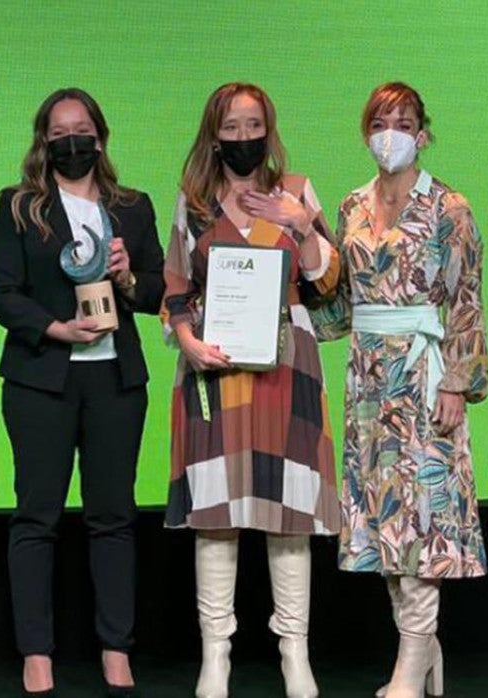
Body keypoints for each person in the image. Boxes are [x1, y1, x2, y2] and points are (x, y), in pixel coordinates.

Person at [310, 81, 488, 698]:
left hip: (424, 376)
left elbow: (465, 300)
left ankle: (409, 671)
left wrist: (458, 383)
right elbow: (337, 307)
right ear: (366, 132)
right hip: (368, 381)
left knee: (421, 522)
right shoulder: (350, 206)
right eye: (381, 121)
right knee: (383, 524)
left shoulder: (450, 208)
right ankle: (423, 654)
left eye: (404, 121)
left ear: (423, 132)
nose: (392, 131)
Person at [0, 88, 165, 697]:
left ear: (100, 137)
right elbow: (0, 293)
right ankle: (37, 653)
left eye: (81, 129)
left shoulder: (132, 208)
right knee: (36, 516)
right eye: (59, 132)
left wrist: (128, 277)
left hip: (116, 380)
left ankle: (116, 649)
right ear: (44, 142)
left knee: (113, 516)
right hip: (42, 380)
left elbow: (159, 289)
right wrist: (56, 328)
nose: (72, 140)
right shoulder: (19, 207)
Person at [162, 83, 340, 698]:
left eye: (253, 124)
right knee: (216, 512)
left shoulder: (295, 192)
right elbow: (177, 287)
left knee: (288, 511)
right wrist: (185, 338)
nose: (243, 137)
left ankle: (296, 654)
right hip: (216, 365)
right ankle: (217, 656)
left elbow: (325, 280)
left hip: (287, 364)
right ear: (215, 134)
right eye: (231, 127)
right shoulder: (193, 202)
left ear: (269, 129)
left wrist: (307, 225)